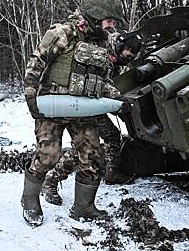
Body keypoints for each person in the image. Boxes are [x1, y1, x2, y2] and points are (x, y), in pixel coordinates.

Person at [21, 0, 125, 226]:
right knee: (48, 156)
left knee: (92, 156)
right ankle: (29, 200)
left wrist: (115, 97)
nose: (112, 26)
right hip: (53, 105)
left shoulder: (101, 41)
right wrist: (30, 95)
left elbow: (103, 76)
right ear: (97, 16)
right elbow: (37, 61)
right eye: (110, 20)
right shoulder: (63, 32)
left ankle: (83, 207)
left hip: (83, 108)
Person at [41, 35, 143, 206]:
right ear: (120, 46)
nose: (128, 59)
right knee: (83, 148)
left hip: (91, 102)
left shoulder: (115, 57)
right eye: (128, 55)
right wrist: (118, 99)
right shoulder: (100, 54)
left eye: (132, 57)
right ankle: (50, 181)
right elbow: (100, 84)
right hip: (80, 102)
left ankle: (111, 172)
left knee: (111, 135)